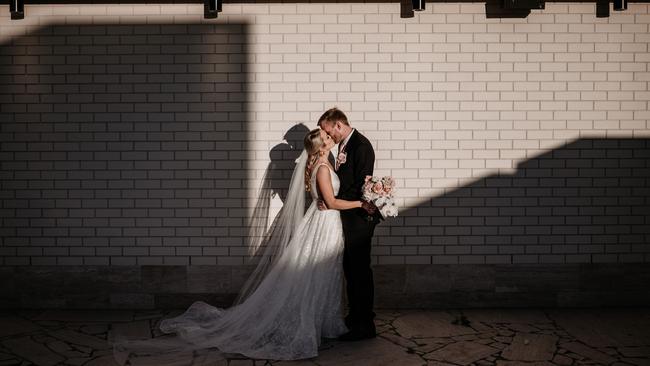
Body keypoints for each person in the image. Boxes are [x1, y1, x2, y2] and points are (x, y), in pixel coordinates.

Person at [113, 128, 375, 364]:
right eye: (326, 137)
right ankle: (304, 326)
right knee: (314, 275)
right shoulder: (322, 167)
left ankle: (322, 324)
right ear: (320, 146)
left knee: (321, 275)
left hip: (324, 225)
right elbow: (330, 202)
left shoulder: (320, 163)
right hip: (324, 224)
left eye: (330, 135)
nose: (331, 137)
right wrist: (360, 204)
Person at [318, 107, 381, 342]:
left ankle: (365, 324)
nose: (328, 136)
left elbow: (361, 187)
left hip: (359, 220)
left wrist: (332, 202)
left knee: (360, 272)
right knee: (351, 271)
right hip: (348, 217)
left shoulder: (361, 146)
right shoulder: (344, 146)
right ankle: (355, 317)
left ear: (338, 125)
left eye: (327, 131)